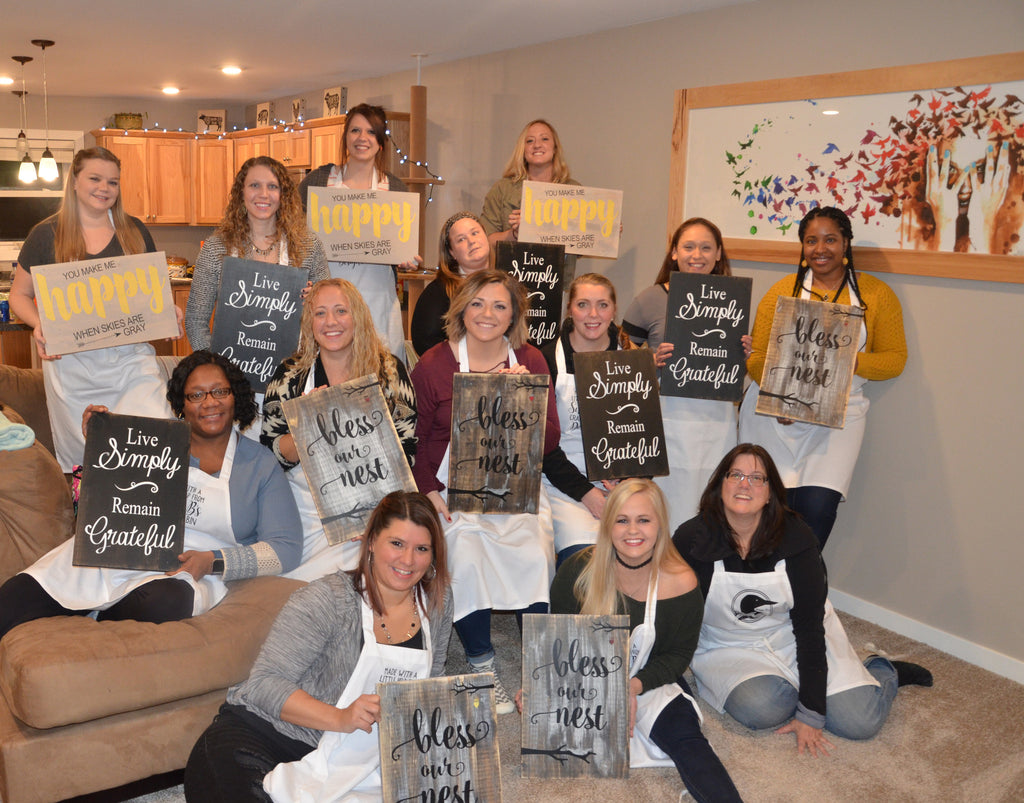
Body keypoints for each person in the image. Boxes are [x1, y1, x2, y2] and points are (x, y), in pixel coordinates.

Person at [0, 350, 303, 641]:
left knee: (166, 601)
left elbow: (285, 549)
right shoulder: (152, 442)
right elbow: (112, 501)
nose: (210, 402)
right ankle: (89, 608)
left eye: (220, 391)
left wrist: (213, 561)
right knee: (13, 598)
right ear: (181, 404)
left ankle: (96, 615)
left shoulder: (260, 464)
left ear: (236, 396)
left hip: (185, 571)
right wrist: (101, 442)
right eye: (196, 395)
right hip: (117, 554)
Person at [183, 491, 453, 802]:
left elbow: (431, 686)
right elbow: (262, 684)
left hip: (351, 761)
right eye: (397, 544)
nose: (408, 560)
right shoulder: (328, 599)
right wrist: (340, 718)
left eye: (422, 549)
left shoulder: (437, 603)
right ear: (371, 541)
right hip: (262, 737)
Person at [673, 444, 932, 755]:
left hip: (794, 636)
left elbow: (808, 629)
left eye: (757, 478)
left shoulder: (797, 539)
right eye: (736, 475)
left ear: (770, 494)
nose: (745, 484)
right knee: (761, 709)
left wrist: (811, 712)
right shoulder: (691, 538)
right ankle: (797, 685)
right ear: (720, 485)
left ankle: (881, 669)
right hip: (728, 646)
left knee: (858, 722)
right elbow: (673, 616)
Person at [410, 270, 559, 714]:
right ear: (461, 310)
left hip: (515, 484)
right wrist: (428, 492)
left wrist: (525, 399)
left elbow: (550, 440)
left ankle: (539, 668)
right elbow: (413, 439)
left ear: (514, 315)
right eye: (477, 303)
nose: (487, 314)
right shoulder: (433, 364)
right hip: (450, 488)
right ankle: (482, 664)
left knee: (535, 553)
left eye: (499, 305)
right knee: (466, 554)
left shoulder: (531, 360)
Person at [550, 479, 742, 802]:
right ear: (607, 525)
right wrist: (539, 688)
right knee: (557, 747)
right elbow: (557, 643)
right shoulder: (577, 571)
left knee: (686, 737)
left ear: (660, 525)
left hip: (650, 679)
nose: (632, 531)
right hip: (585, 681)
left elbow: (679, 654)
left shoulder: (682, 581)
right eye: (621, 520)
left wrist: (633, 687)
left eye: (643, 520)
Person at [737, 206, 907, 548]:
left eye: (830, 239)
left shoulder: (876, 295)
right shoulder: (781, 291)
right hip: (775, 418)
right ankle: (762, 577)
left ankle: (802, 578)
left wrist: (850, 362)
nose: (820, 249)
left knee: (818, 508)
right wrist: (780, 399)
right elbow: (757, 356)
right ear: (803, 247)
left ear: (845, 243)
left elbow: (895, 359)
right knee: (767, 510)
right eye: (811, 240)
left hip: (839, 417)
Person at [8, 146, 174, 472]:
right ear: (74, 181)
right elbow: (19, 296)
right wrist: (40, 324)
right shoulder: (46, 235)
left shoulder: (134, 231)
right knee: (87, 457)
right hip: (72, 367)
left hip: (130, 361)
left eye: (113, 182)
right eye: (95, 179)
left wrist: (167, 311)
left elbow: (153, 293)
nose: (104, 188)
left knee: (154, 436)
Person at [261, 278, 417, 581]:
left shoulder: (389, 371)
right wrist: (306, 427)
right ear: (309, 322)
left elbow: (406, 454)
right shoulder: (290, 375)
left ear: (358, 316)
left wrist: (373, 514)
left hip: (375, 504)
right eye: (320, 313)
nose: (330, 321)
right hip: (305, 510)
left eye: (341, 311)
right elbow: (270, 456)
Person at [622, 217, 750, 532]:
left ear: (718, 254)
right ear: (674, 252)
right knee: (665, 503)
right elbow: (620, 362)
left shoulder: (732, 303)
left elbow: (731, 366)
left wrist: (745, 355)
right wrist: (650, 362)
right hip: (666, 420)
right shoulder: (649, 299)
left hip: (716, 422)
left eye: (706, 248)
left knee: (711, 499)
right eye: (688, 246)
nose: (697, 255)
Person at [298, 103, 421, 359]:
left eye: (371, 132)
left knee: (379, 370)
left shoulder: (395, 189)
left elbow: (401, 245)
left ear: (381, 142)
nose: (362, 138)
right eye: (355, 130)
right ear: (345, 137)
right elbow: (291, 234)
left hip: (377, 304)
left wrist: (407, 258)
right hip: (327, 305)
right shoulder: (317, 182)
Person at [184, 155, 329, 351]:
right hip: (229, 366)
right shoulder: (216, 248)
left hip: (294, 364)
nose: (263, 194)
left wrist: (316, 300)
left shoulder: (309, 246)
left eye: (272, 186)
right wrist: (215, 364)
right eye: (254, 185)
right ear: (241, 192)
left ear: (283, 194)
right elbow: (195, 320)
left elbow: (328, 314)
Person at [541, 273, 635, 567]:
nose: (593, 314)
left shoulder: (633, 361)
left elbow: (641, 436)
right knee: (585, 558)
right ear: (570, 309)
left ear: (614, 310)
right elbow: (541, 446)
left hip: (620, 486)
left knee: (637, 552)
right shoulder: (546, 360)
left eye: (602, 305)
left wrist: (627, 481)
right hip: (561, 485)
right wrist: (587, 493)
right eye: (583, 304)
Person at [480, 119, 581, 287]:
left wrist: (605, 232)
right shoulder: (502, 189)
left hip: (557, 285)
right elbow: (486, 241)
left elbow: (581, 246)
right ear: (523, 150)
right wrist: (516, 233)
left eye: (544, 139)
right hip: (509, 286)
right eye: (530, 141)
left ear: (555, 148)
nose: (537, 145)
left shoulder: (574, 191)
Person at [409, 211, 491, 356]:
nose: (471, 241)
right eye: (461, 239)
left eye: (475, 233)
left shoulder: (508, 283)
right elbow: (425, 344)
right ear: (452, 252)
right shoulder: (437, 292)